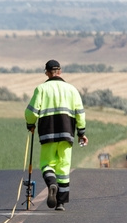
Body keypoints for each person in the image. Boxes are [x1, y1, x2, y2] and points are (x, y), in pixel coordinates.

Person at [25, 59, 87, 212]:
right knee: (64, 168)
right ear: (60, 71)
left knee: (47, 165)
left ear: (46, 72)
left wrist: (30, 124)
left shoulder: (41, 89)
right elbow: (80, 113)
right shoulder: (72, 90)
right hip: (67, 135)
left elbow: (31, 112)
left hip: (47, 133)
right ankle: (61, 203)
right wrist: (81, 133)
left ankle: (52, 183)